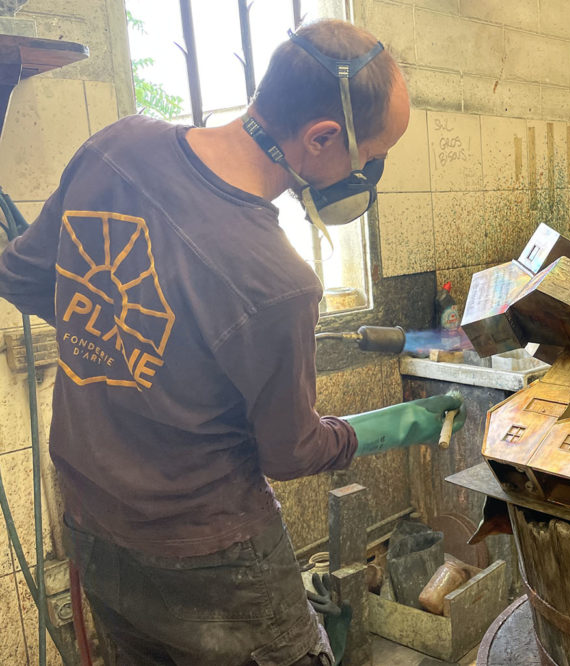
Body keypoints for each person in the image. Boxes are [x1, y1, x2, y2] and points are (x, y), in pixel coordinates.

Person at [0, 18, 463, 665]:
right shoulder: (276, 280)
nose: (372, 172)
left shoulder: (116, 148)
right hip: (211, 557)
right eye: (375, 154)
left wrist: (132, 347)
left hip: (94, 523)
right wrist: (387, 427)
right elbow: (291, 452)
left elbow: (23, 277)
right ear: (322, 138)